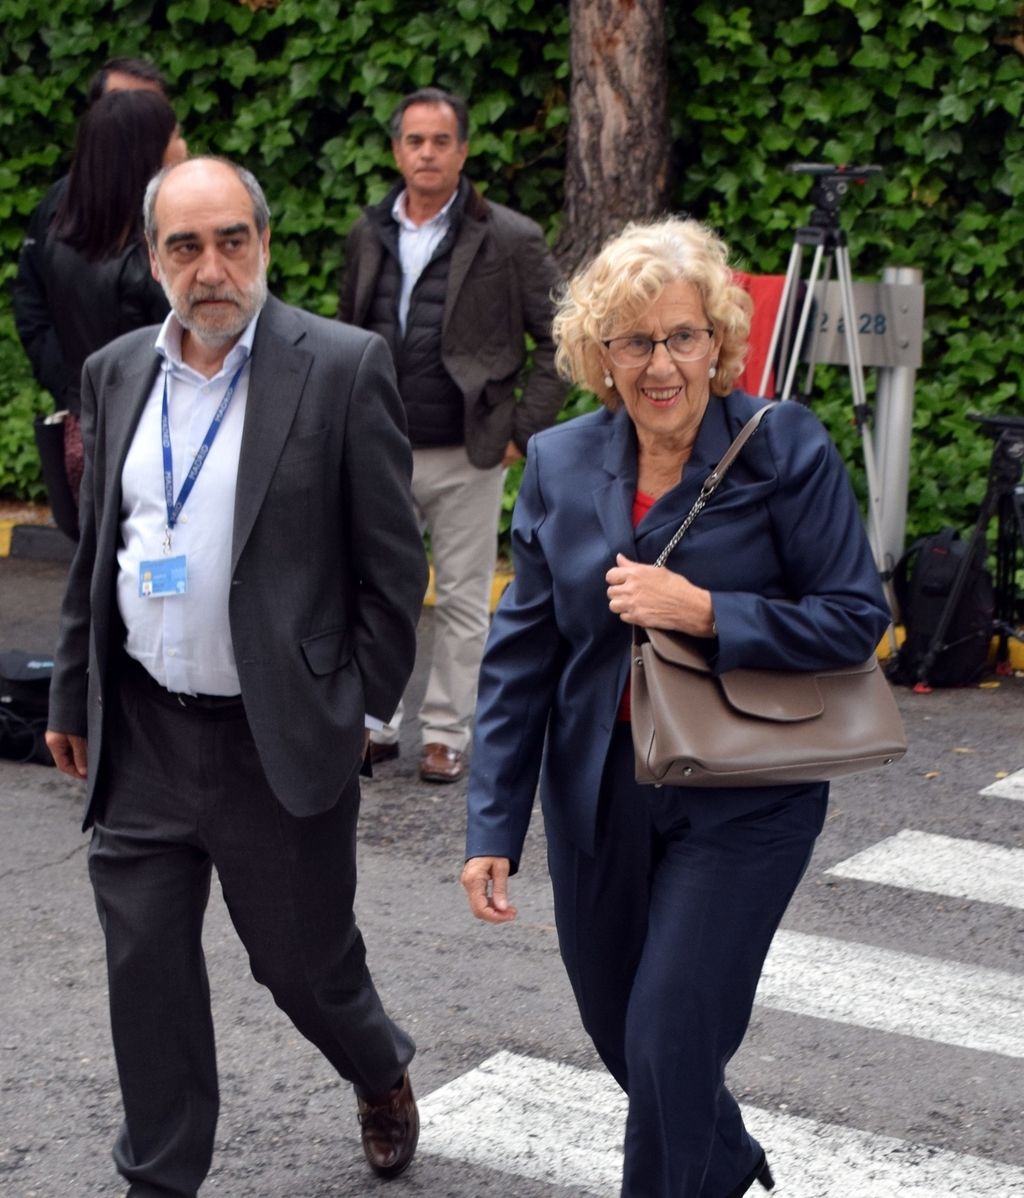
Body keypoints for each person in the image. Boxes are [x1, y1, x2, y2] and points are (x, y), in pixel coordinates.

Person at [461, 218, 891, 1197]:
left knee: (667, 1033)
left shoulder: (782, 446)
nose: (662, 364)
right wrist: (493, 823)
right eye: (636, 341)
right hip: (598, 795)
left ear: (717, 340)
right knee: (626, 1034)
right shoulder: (565, 462)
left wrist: (704, 612)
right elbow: (520, 657)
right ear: (599, 355)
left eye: (682, 336)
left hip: (746, 790)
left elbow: (854, 618)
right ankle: (723, 1156)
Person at [45, 157, 427, 1197]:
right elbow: (95, 552)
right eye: (184, 246)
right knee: (148, 976)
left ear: (263, 242)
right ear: (152, 257)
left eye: (231, 241)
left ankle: (377, 1065)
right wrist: (72, 689)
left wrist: (353, 708)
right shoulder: (117, 369)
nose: (210, 267)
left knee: (302, 965)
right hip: (143, 734)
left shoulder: (342, 366)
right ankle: (159, 1179)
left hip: (279, 736)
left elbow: (394, 575)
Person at [339, 86, 565, 784]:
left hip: (470, 448)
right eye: (415, 140)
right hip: (380, 447)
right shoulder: (367, 230)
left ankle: (446, 734)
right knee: (373, 592)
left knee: (464, 596)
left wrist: (522, 431)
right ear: (396, 150)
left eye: (441, 141)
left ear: (463, 150)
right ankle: (374, 726)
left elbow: (560, 338)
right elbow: (350, 330)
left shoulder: (509, 236)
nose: (427, 153)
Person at [43, 87, 187, 510]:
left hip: (83, 429)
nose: (185, 148)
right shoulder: (148, 260)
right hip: (149, 437)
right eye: (176, 136)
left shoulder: (61, 242)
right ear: (147, 154)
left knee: (106, 569)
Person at [13, 56, 171, 406]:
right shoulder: (61, 204)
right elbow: (32, 300)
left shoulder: (180, 207)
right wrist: (70, 382)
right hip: (95, 407)